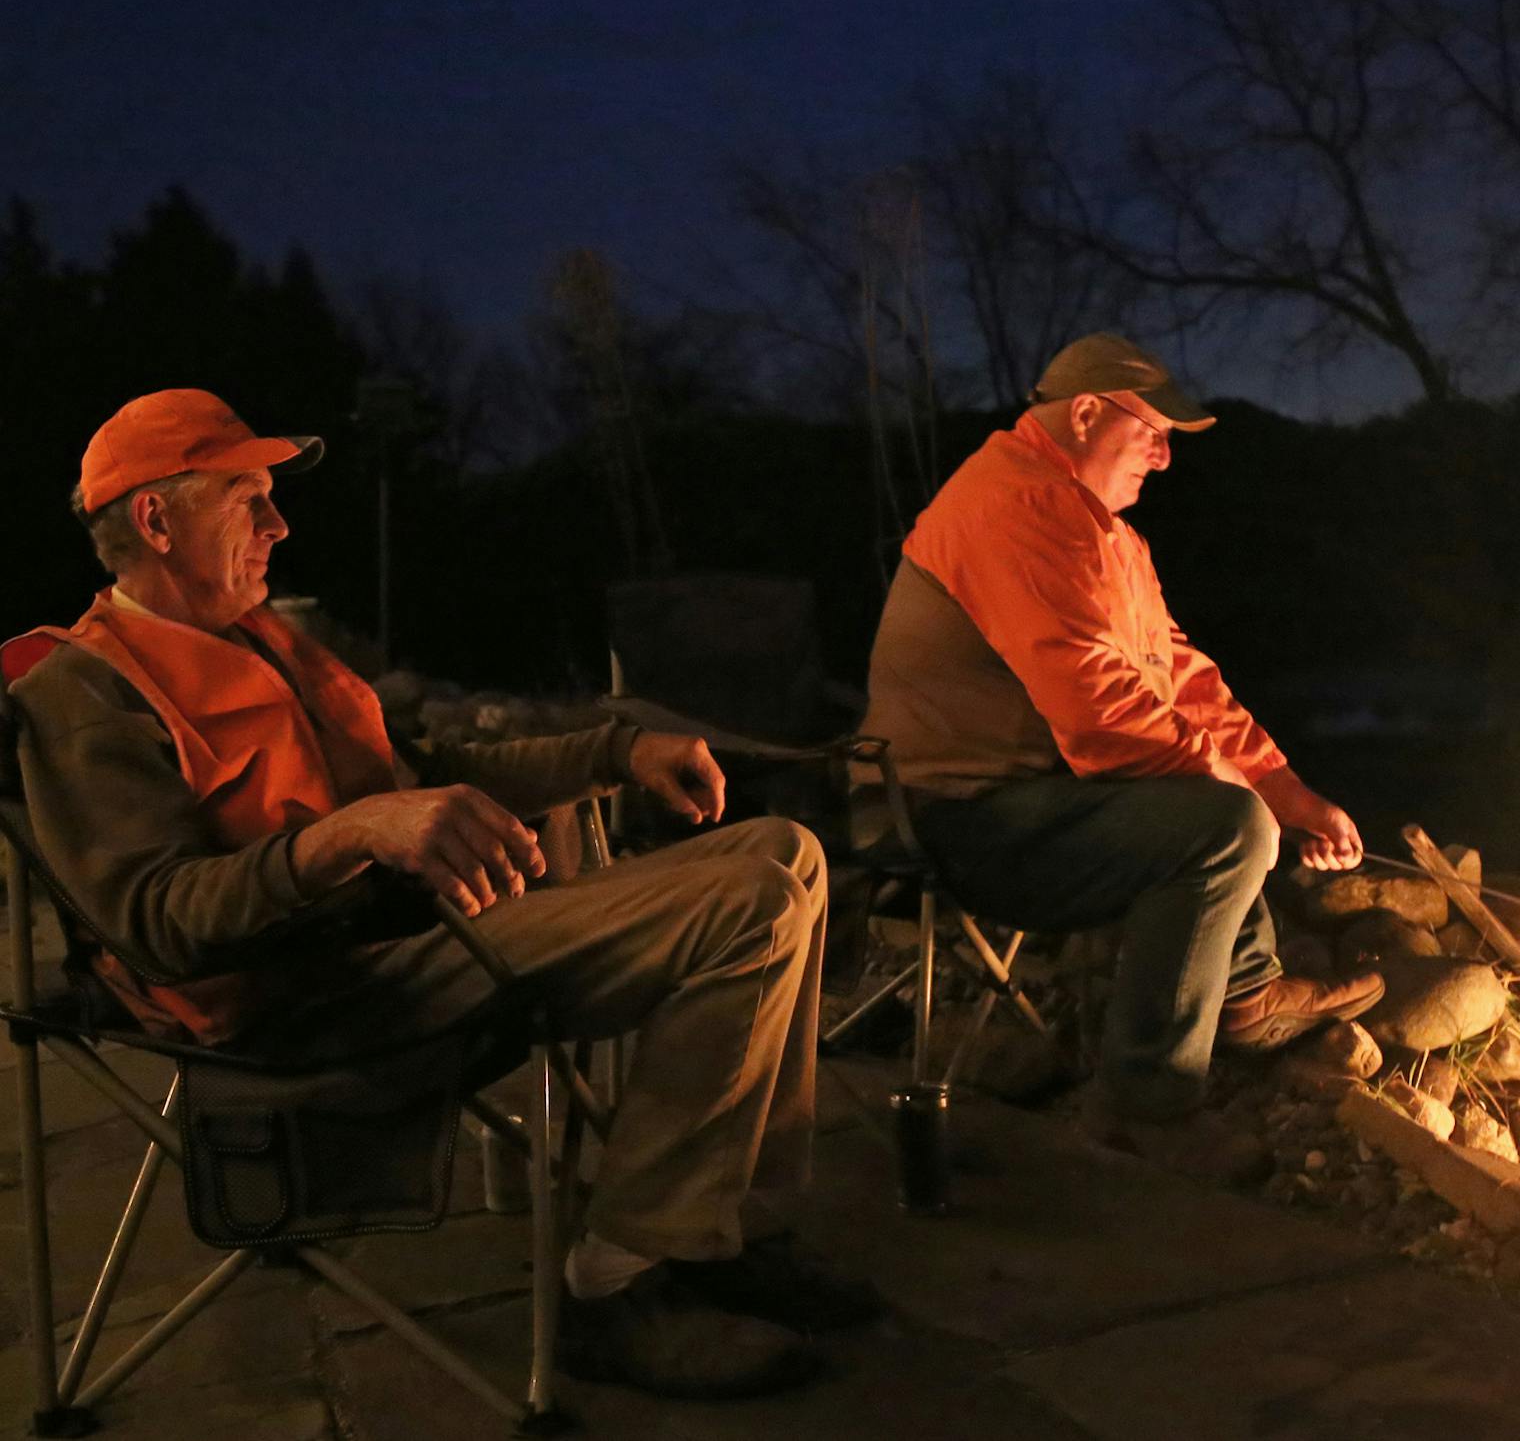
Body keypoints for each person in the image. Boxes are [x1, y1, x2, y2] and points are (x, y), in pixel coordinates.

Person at [4, 389, 868, 1400]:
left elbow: (426, 765)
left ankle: (725, 1231)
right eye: (249, 499)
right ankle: (622, 1277)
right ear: (156, 520)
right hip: (311, 999)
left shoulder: (262, 640)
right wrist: (345, 838)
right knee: (748, 904)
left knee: (785, 850)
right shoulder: (82, 694)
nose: (279, 525)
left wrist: (620, 751)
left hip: (416, 935)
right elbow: (158, 923)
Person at [855, 333, 1382, 1171]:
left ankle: (1242, 995)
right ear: (1088, 412)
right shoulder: (1016, 508)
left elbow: (1180, 678)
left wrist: (1286, 790)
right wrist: (1239, 801)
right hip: (953, 814)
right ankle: (1145, 1107)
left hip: (1016, 799)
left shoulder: (1096, 531)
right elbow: (1100, 712)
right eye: (1153, 432)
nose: (1165, 459)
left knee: (1229, 808)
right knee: (1219, 825)